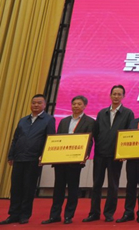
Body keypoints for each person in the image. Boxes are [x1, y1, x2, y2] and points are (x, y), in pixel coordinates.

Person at [1, 94, 56, 225]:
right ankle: (13, 214)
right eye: (33, 103)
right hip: (19, 158)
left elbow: (50, 139)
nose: (36, 105)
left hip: (34, 159)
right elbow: (16, 139)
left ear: (44, 105)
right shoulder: (23, 120)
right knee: (15, 188)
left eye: (39, 103)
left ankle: (24, 215)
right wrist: (11, 155)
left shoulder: (49, 120)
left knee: (28, 188)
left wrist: (44, 156)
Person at [84, 85, 134, 223]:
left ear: (123, 96)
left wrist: (124, 153)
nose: (116, 96)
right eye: (114, 94)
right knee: (96, 185)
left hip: (115, 156)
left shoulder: (128, 113)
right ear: (110, 95)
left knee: (113, 186)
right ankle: (94, 213)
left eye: (119, 94)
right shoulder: (102, 113)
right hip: (100, 154)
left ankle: (109, 213)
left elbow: (129, 135)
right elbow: (96, 133)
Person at [43, 95, 95, 225]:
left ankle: (68, 216)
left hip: (75, 161)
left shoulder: (90, 121)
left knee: (72, 189)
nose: (76, 106)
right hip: (61, 160)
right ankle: (54, 215)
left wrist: (85, 155)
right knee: (58, 189)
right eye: (74, 104)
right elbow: (57, 139)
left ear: (84, 106)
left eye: (79, 104)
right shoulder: (64, 121)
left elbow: (89, 141)